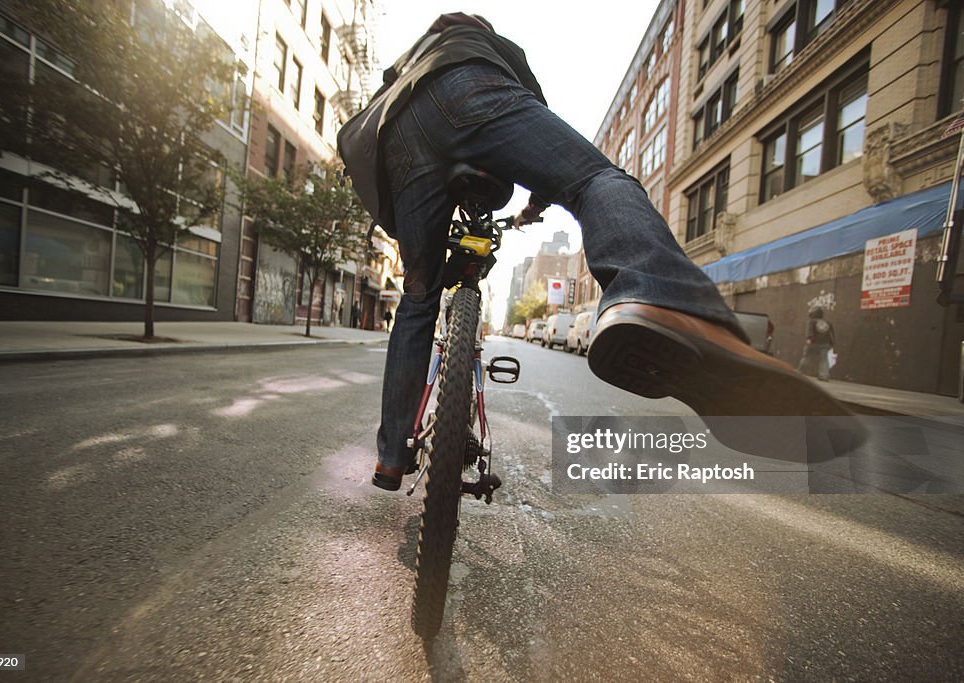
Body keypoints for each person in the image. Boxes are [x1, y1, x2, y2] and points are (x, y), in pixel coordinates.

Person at [338, 13, 852, 491]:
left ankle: (390, 453)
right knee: (594, 179)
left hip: (399, 132)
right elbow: (537, 136)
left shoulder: (407, 64)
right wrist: (537, 203)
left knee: (419, 297)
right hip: (469, 93)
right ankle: (656, 297)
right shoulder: (489, 49)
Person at [798, 306, 836, 381]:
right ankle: (824, 375)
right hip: (825, 344)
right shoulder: (828, 322)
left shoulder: (811, 321)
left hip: (813, 343)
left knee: (807, 358)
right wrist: (832, 343)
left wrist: (809, 339)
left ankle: (800, 372)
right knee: (824, 360)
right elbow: (831, 334)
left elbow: (810, 331)